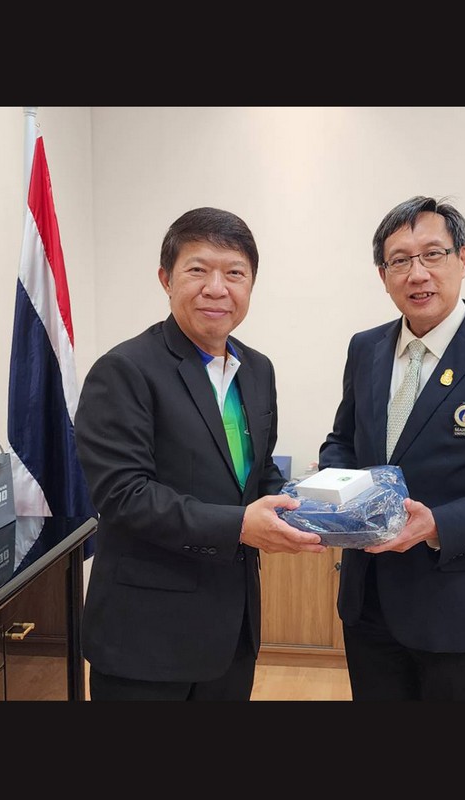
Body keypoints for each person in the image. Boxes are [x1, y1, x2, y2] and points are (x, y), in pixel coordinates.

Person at [75, 206, 326, 701]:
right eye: (198, 270)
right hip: (146, 638)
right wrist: (239, 526)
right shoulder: (124, 369)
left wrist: (315, 508)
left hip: (233, 630)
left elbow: (257, 473)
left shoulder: (258, 369)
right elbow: (123, 495)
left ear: (251, 285)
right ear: (166, 279)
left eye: (234, 273)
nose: (217, 288)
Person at [318, 195, 465, 701]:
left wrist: (437, 525)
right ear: (383, 274)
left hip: (458, 606)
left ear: (462, 259)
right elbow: (342, 441)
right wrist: (335, 495)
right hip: (369, 600)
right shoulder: (365, 348)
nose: (418, 274)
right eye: (400, 260)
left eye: (433, 254)